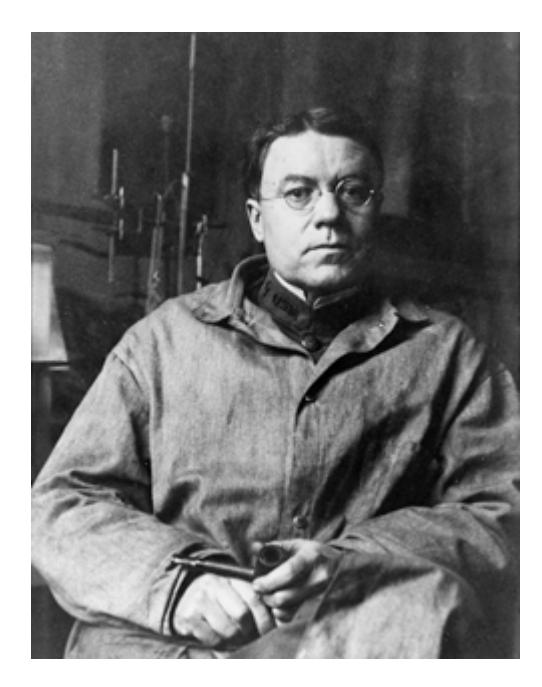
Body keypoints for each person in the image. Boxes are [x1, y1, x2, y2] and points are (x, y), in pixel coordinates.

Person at [31, 107, 519, 659]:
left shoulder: (447, 352)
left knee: (425, 609)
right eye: (298, 193)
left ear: (377, 209)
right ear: (257, 219)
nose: (329, 214)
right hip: (171, 648)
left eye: (353, 192)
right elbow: (59, 504)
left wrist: (351, 562)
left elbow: (507, 512)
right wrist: (180, 582)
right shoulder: (162, 341)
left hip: (350, 644)